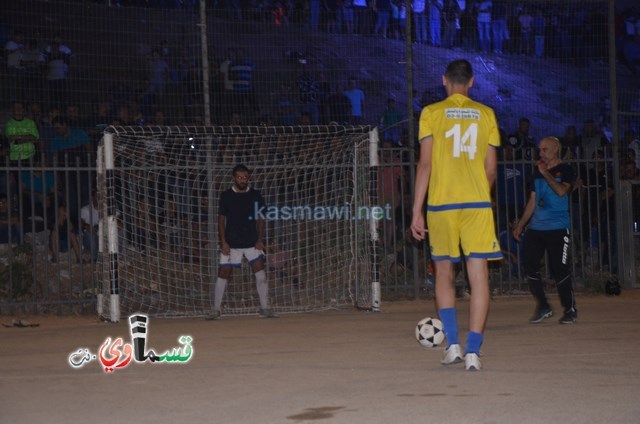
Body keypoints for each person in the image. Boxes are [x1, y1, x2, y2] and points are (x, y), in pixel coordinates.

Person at [410, 59, 502, 371]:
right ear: (472, 82)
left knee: (445, 274)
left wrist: (416, 211)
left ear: (444, 81)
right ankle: (474, 351)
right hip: (477, 205)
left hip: (442, 205)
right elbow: (491, 171)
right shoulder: (487, 114)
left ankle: (453, 346)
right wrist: (476, 192)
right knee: (479, 278)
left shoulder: (431, 113)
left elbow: (425, 164)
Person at [512, 136, 577, 325]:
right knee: (530, 265)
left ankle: (570, 309)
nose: (541, 153)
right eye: (540, 150)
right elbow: (532, 201)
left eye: (545, 149)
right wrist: (521, 224)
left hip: (558, 228)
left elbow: (561, 191)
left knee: (560, 269)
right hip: (537, 228)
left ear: (556, 149)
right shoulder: (537, 172)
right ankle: (543, 305)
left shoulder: (565, 170)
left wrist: (546, 173)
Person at [206, 164, 276, 320]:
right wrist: (223, 242)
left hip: (252, 241)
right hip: (232, 243)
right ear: (233, 178)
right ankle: (216, 309)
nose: (242, 180)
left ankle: (265, 308)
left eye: (245, 177)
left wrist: (260, 239)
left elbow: (260, 218)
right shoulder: (226, 196)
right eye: (239, 177)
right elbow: (221, 219)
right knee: (223, 273)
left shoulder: (256, 195)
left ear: (248, 178)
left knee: (260, 271)